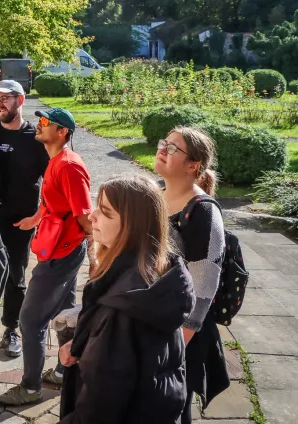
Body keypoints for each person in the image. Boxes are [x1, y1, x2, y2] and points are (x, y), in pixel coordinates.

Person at [57, 175, 195, 424]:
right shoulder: (160, 274)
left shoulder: (124, 306)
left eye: (105, 212)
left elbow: (99, 407)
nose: (91, 216)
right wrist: (82, 347)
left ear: (132, 225)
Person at [0, 107, 92, 407]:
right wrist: (35, 219)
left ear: (62, 132)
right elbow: (52, 201)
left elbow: (85, 215)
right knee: (66, 309)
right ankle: (64, 371)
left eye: (46, 122)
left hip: (63, 252)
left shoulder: (69, 166)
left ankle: (30, 388)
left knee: (30, 319)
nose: (38, 125)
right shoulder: (55, 161)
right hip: (59, 246)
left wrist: (99, 252)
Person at [155, 127, 229, 422]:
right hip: (154, 315)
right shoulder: (156, 196)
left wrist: (179, 341)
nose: (163, 149)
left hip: (183, 330)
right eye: (164, 143)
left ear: (193, 165)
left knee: (173, 404)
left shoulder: (202, 213)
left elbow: (205, 285)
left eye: (173, 148)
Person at [0, 79, 49, 358]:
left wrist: (37, 217)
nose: (0, 103)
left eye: (6, 98)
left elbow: (52, 183)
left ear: (21, 101)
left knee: (16, 276)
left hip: (20, 219)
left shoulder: (36, 139)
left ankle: (10, 329)